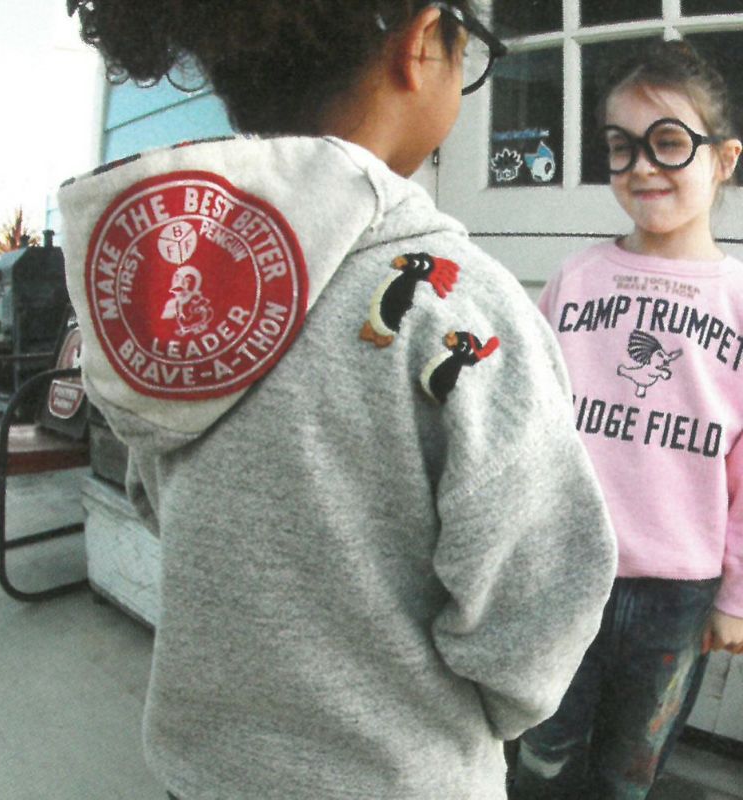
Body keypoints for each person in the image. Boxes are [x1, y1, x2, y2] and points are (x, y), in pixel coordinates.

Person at [60, 2, 616, 798]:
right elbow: (537, 597)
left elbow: (155, 497)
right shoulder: (461, 307)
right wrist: (487, 713)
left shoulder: (173, 301)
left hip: (206, 771)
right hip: (399, 777)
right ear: (420, 45)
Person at [511, 40, 743, 800]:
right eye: (621, 147)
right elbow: (529, 424)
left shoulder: (739, 301)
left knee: (630, 772)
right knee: (541, 758)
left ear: (724, 159)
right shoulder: (576, 280)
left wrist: (735, 597)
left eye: (668, 143)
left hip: (678, 592)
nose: (642, 167)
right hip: (564, 571)